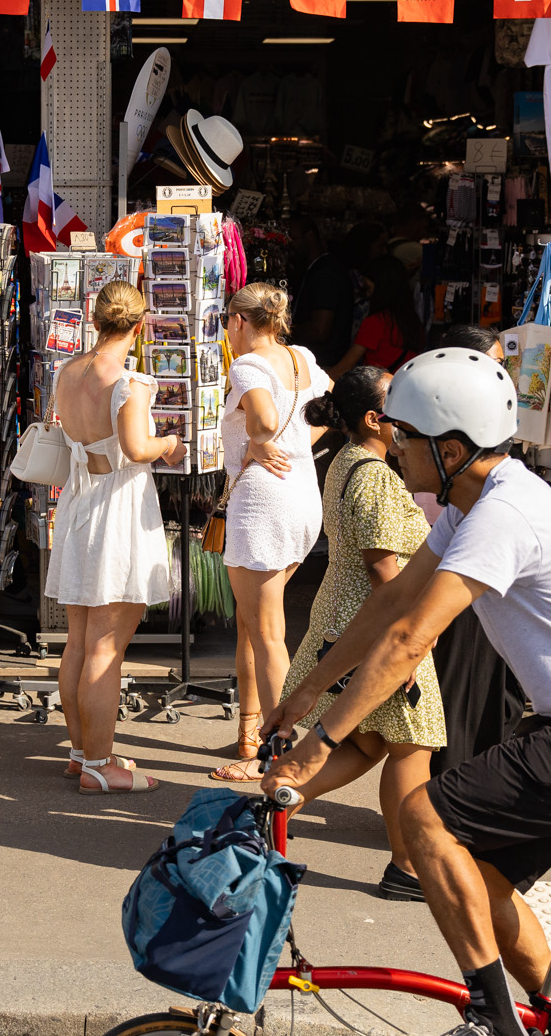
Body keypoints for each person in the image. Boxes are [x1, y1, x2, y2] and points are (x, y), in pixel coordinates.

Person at [263, 348, 551, 1036]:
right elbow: (393, 602)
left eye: (406, 436)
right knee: (479, 877)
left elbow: (409, 642)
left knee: (423, 817)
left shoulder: (504, 514)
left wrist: (320, 745)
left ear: (451, 447)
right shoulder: (475, 499)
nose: (395, 447)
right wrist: (304, 691)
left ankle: (494, 1015)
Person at [283, 367, 445, 900]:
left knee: (368, 740)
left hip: (353, 619)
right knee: (410, 746)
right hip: (378, 626)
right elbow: (384, 572)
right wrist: (411, 634)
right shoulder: (371, 474)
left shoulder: (350, 461)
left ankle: (275, 801)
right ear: (375, 419)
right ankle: (407, 867)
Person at [45, 281, 185, 794]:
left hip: (81, 500)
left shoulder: (68, 370)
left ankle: (81, 754)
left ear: (95, 316)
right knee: (107, 647)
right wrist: (169, 442)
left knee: (79, 642)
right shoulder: (131, 382)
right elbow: (136, 446)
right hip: (118, 506)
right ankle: (99, 767)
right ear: (140, 325)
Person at [210, 283, 330, 783]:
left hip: (263, 501)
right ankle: (250, 728)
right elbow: (331, 411)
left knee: (267, 634)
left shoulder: (247, 365)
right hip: (301, 493)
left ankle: (277, 756)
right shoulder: (300, 357)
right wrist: (296, 443)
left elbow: (262, 419)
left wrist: (257, 442)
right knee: (256, 624)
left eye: (227, 324)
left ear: (240, 321)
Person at [423, 326, 527, 775]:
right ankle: (453, 793)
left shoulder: (485, 420)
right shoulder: (443, 424)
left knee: (485, 684)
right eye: (495, 364)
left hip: (473, 552)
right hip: (457, 555)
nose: (503, 374)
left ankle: (469, 787)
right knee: (461, 681)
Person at [294, 221, 386, 370]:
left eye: (293, 238)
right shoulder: (321, 270)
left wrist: (285, 331)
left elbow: (319, 330)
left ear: (309, 236)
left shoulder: (326, 274)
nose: (287, 243)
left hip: (324, 363)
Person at [330, 258, 424, 377]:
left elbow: (343, 367)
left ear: (381, 288)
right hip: (404, 388)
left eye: (368, 288)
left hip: (380, 391)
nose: (367, 294)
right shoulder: (414, 321)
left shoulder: (376, 322)